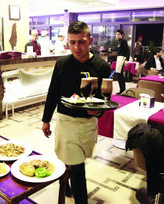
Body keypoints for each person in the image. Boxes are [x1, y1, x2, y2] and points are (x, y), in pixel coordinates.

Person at [42, 21, 111, 204]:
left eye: (81, 42)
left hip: (88, 124)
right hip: (66, 122)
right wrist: (46, 119)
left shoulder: (101, 67)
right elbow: (53, 92)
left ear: (90, 40)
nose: (76, 47)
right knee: (78, 167)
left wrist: (96, 113)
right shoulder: (62, 63)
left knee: (73, 161)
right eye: (72, 42)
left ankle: (68, 184)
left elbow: (105, 101)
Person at [115, 29, 130, 94]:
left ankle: (122, 90)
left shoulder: (124, 41)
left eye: (118, 34)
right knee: (118, 74)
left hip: (122, 58)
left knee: (119, 74)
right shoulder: (119, 42)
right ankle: (122, 90)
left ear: (122, 35)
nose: (117, 35)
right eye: (116, 34)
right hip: (119, 58)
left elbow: (127, 51)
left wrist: (127, 59)